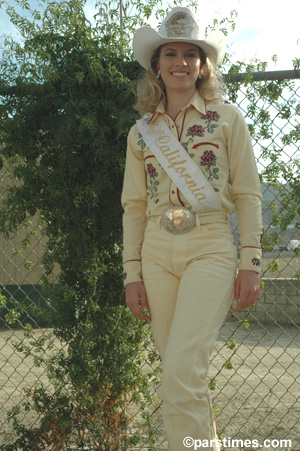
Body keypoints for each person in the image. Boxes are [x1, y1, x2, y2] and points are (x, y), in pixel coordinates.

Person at [121, 6, 263, 451]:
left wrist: (251, 263)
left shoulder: (227, 118)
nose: (180, 62)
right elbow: (133, 206)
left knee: (182, 371)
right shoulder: (141, 133)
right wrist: (132, 272)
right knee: (180, 376)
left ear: (203, 65)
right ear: (156, 66)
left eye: (190, 54)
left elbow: (248, 194)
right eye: (170, 53)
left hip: (211, 246)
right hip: (157, 252)